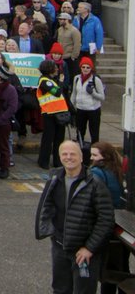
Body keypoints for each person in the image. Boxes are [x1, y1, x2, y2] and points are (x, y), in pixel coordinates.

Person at [36, 140, 114, 294]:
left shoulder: (95, 184)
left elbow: (106, 220)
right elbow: (48, 207)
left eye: (73, 154)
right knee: (59, 290)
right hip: (60, 247)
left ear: (81, 157)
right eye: (64, 154)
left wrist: (89, 248)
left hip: (83, 252)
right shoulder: (54, 178)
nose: (69, 157)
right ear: (59, 157)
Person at [89, 142, 128, 294]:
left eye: (94, 155)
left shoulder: (97, 172)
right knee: (122, 265)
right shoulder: (117, 169)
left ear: (104, 157)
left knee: (107, 270)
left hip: (106, 222)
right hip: (120, 221)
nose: (91, 158)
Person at [37, 60, 70, 169]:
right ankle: (43, 161)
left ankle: (57, 161)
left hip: (59, 113)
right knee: (48, 139)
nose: (57, 70)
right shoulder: (45, 81)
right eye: (55, 68)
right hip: (50, 114)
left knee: (59, 139)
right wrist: (60, 82)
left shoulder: (51, 80)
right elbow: (57, 92)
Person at [70, 57, 105, 148]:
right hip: (80, 109)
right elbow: (74, 93)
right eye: (83, 67)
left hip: (93, 110)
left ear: (91, 68)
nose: (85, 69)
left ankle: (94, 151)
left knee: (94, 132)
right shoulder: (76, 78)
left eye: (88, 67)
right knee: (80, 131)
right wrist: (70, 106)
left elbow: (102, 97)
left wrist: (92, 93)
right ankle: (80, 150)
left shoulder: (95, 80)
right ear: (80, 67)